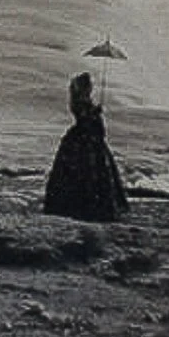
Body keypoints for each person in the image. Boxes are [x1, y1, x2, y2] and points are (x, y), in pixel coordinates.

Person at [43, 72, 128, 223]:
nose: (91, 88)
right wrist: (94, 112)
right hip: (86, 141)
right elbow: (84, 119)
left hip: (87, 139)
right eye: (89, 86)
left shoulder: (81, 100)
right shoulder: (80, 102)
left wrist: (95, 111)